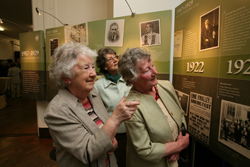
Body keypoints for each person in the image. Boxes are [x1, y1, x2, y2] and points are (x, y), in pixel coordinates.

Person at [44, 42, 140, 167]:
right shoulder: (57, 111)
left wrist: (111, 138)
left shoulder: (92, 93)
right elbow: (87, 152)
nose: (93, 73)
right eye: (86, 68)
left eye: (93, 67)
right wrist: (116, 118)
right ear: (66, 77)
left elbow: (103, 129)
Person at [118, 47, 189, 167]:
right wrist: (179, 146)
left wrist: (179, 141)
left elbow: (181, 114)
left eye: (153, 65)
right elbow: (145, 150)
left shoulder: (166, 86)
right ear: (133, 79)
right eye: (147, 70)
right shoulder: (132, 106)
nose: (155, 72)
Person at [94, 47, 131, 167]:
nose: (115, 60)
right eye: (110, 59)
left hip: (133, 129)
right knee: (119, 160)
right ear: (104, 66)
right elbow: (98, 112)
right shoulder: (97, 86)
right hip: (115, 133)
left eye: (115, 57)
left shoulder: (128, 80)